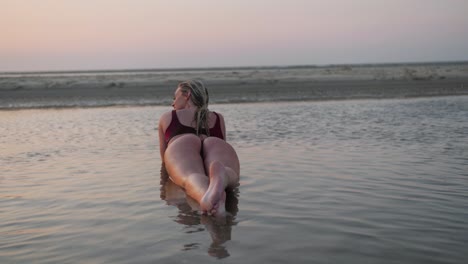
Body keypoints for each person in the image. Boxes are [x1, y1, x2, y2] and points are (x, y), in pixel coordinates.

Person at [158, 80, 240, 216]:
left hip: (182, 144)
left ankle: (206, 198)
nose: (173, 103)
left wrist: (164, 186)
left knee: (190, 176)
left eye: (175, 97)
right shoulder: (218, 118)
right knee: (229, 172)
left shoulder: (168, 117)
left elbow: (164, 162)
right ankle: (223, 177)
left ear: (187, 95)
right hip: (215, 143)